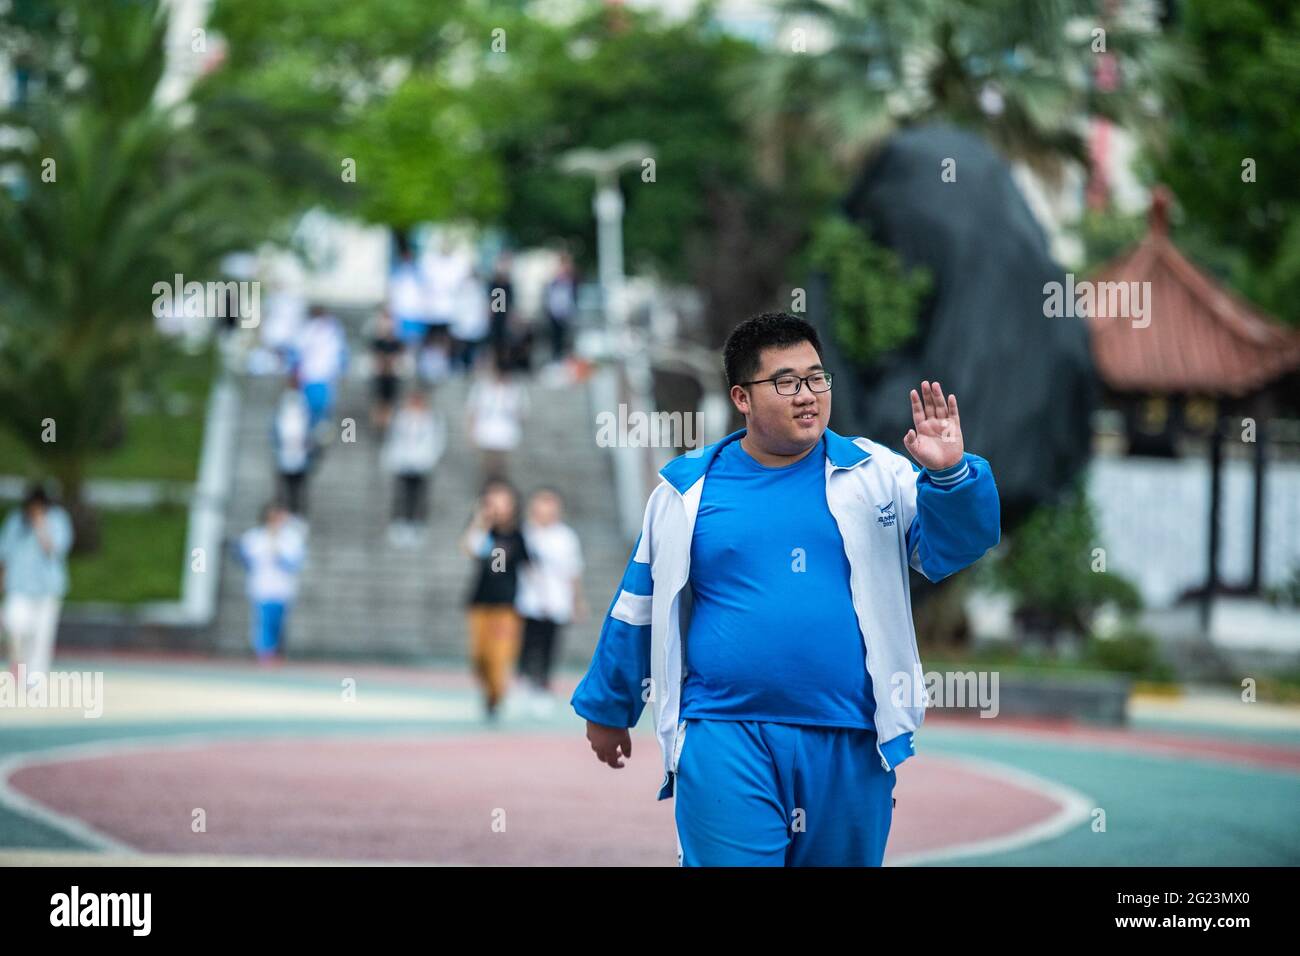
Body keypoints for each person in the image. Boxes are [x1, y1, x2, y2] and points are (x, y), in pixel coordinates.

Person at [569, 311, 1002, 867]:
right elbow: (640, 605)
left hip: (852, 738)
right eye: (786, 382)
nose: (808, 395)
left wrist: (948, 476)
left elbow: (953, 548)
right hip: (724, 732)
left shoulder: (876, 475)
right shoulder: (686, 490)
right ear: (742, 397)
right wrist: (609, 706)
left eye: (817, 378)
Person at [461, 480, 531, 722]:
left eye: (503, 500)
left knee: (499, 654)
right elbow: (470, 549)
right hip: (480, 601)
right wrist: (481, 521)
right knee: (479, 656)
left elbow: (530, 566)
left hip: (507, 605)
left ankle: (497, 697)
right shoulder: (482, 530)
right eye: (492, 500)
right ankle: (490, 693)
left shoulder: (519, 534)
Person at [515, 488, 586, 715]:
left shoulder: (566, 537)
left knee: (549, 646)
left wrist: (577, 601)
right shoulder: (524, 533)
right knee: (525, 644)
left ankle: (543, 686)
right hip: (528, 602)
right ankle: (523, 683)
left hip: (557, 602)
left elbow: (574, 571)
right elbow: (506, 563)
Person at [0, 485, 74, 689]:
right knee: (13, 622)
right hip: (18, 586)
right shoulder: (16, 520)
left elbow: (56, 549)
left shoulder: (58, 519)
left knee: (42, 636)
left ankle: (35, 679)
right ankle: (18, 662)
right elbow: (4, 553)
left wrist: (41, 526)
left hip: (47, 588)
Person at [236, 503, 306, 663]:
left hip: (283, 588)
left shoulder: (291, 538)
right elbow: (246, 561)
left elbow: (295, 564)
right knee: (264, 620)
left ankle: (275, 651)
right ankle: (265, 653)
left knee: (278, 622)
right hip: (262, 587)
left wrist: (279, 555)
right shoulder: (255, 537)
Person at [382, 390, 447, 547]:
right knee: (402, 493)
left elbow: (438, 439)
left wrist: (432, 457)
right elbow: (393, 437)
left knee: (419, 494)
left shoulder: (431, 419)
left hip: (422, 461)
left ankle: (417, 523)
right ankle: (399, 522)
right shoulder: (401, 418)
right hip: (404, 461)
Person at [465, 358, 526, 482]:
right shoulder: (482, 387)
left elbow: (522, 413)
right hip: (485, 434)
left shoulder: (516, 389)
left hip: (506, 436)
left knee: (503, 471)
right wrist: (471, 434)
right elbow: (472, 411)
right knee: (485, 470)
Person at [293, 305, 348, 431]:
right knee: (310, 409)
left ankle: (320, 431)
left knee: (323, 408)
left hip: (325, 375)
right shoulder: (308, 330)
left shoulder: (332, 330)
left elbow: (340, 353)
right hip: (311, 375)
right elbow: (298, 353)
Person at [272, 381, 313, 515]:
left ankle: (295, 511)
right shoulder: (292, 407)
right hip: (288, 453)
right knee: (288, 486)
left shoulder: (298, 407)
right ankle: (287, 511)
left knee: (296, 486)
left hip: (296, 454)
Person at [369, 309, 404, 433]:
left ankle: (385, 425)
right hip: (381, 376)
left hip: (391, 376)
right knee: (379, 402)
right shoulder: (378, 342)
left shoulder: (397, 343)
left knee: (388, 402)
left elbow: (398, 359)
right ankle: (378, 424)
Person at [543, 253, 578, 364]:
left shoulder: (571, 281)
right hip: (555, 314)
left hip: (567, 314)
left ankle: (566, 361)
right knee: (556, 339)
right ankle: (557, 360)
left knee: (567, 339)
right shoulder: (554, 282)